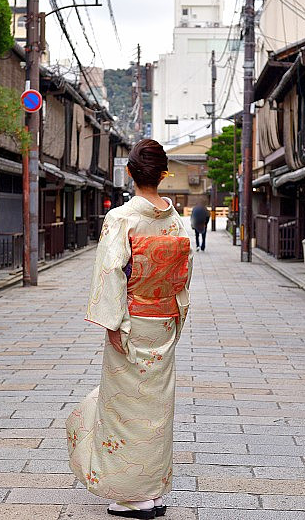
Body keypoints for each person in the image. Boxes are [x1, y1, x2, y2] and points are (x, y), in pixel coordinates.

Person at [66, 139, 193, 519]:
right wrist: (171, 315)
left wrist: (113, 323)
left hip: (131, 323)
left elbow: (110, 274)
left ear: (130, 173)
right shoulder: (176, 222)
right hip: (163, 321)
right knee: (155, 410)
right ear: (164, 174)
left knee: (122, 410)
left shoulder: (122, 218)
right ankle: (150, 490)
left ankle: (130, 495)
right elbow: (182, 280)